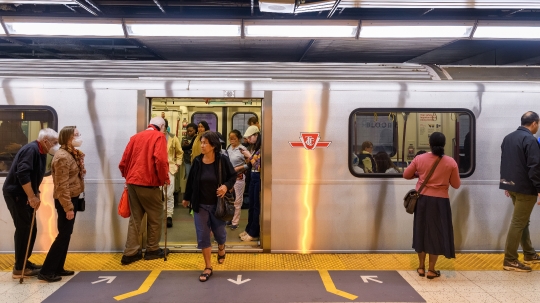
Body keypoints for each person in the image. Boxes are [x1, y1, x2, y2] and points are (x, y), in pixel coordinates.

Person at [3, 128, 59, 279]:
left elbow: (34, 175)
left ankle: (24, 262)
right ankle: (19, 268)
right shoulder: (32, 150)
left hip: (23, 194)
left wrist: (36, 193)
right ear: (46, 142)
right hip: (16, 194)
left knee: (31, 228)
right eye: (55, 143)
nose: (56, 146)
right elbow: (22, 173)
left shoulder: (41, 151)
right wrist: (31, 197)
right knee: (24, 228)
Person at [403, 132, 460, 279]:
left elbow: (406, 175)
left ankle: (421, 267)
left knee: (421, 231)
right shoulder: (451, 162)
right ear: (444, 144)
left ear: (429, 143)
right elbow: (456, 184)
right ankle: (431, 270)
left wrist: (419, 175)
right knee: (436, 234)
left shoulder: (419, 159)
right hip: (440, 202)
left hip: (422, 200)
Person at [182, 131, 236, 282]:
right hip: (200, 205)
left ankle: (221, 247)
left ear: (213, 146)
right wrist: (187, 198)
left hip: (218, 205)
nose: (202, 145)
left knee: (219, 234)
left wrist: (225, 186)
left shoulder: (222, 160)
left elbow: (232, 176)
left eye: (205, 143)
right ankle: (208, 266)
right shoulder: (197, 161)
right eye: (201, 142)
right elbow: (191, 181)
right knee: (203, 236)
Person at [119, 117, 170, 265]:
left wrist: (128, 177)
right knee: (155, 217)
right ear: (161, 126)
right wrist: (164, 179)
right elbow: (160, 161)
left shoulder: (135, 137)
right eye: (165, 129)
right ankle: (152, 250)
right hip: (149, 183)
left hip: (132, 183)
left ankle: (130, 253)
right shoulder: (159, 137)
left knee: (135, 219)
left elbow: (123, 162)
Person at [38, 126, 85, 282]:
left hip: (72, 198)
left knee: (66, 234)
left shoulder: (72, 154)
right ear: (68, 138)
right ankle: (47, 270)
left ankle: (58, 267)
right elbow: (61, 185)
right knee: (63, 235)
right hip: (66, 200)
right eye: (76, 135)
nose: (79, 137)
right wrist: (68, 207)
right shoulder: (62, 157)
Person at [500, 111, 540, 272]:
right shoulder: (530, 139)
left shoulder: (508, 137)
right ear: (534, 123)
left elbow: (506, 162)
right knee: (518, 222)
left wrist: (506, 183)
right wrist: (539, 188)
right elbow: (534, 167)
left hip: (513, 186)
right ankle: (510, 259)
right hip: (525, 188)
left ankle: (529, 253)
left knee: (522, 221)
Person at [239, 125, 261, 242]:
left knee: (256, 206)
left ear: (256, 135)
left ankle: (254, 231)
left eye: (249, 137)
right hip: (252, 176)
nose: (248, 140)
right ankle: (249, 229)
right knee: (251, 205)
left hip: (258, 177)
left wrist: (249, 156)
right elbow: (252, 164)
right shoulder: (253, 147)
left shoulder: (262, 148)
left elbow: (259, 166)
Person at [227, 130, 248, 230]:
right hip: (229, 177)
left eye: (234, 139)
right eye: (230, 138)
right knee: (229, 199)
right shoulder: (229, 148)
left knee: (237, 200)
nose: (232, 141)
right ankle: (229, 218)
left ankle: (235, 222)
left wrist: (239, 168)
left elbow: (249, 164)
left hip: (239, 177)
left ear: (239, 139)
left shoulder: (242, 149)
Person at [163, 120, 183, 228]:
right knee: (158, 194)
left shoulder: (172, 137)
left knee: (169, 194)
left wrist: (177, 165)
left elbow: (180, 152)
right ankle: (159, 214)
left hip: (170, 168)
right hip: (156, 169)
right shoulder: (154, 137)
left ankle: (169, 216)